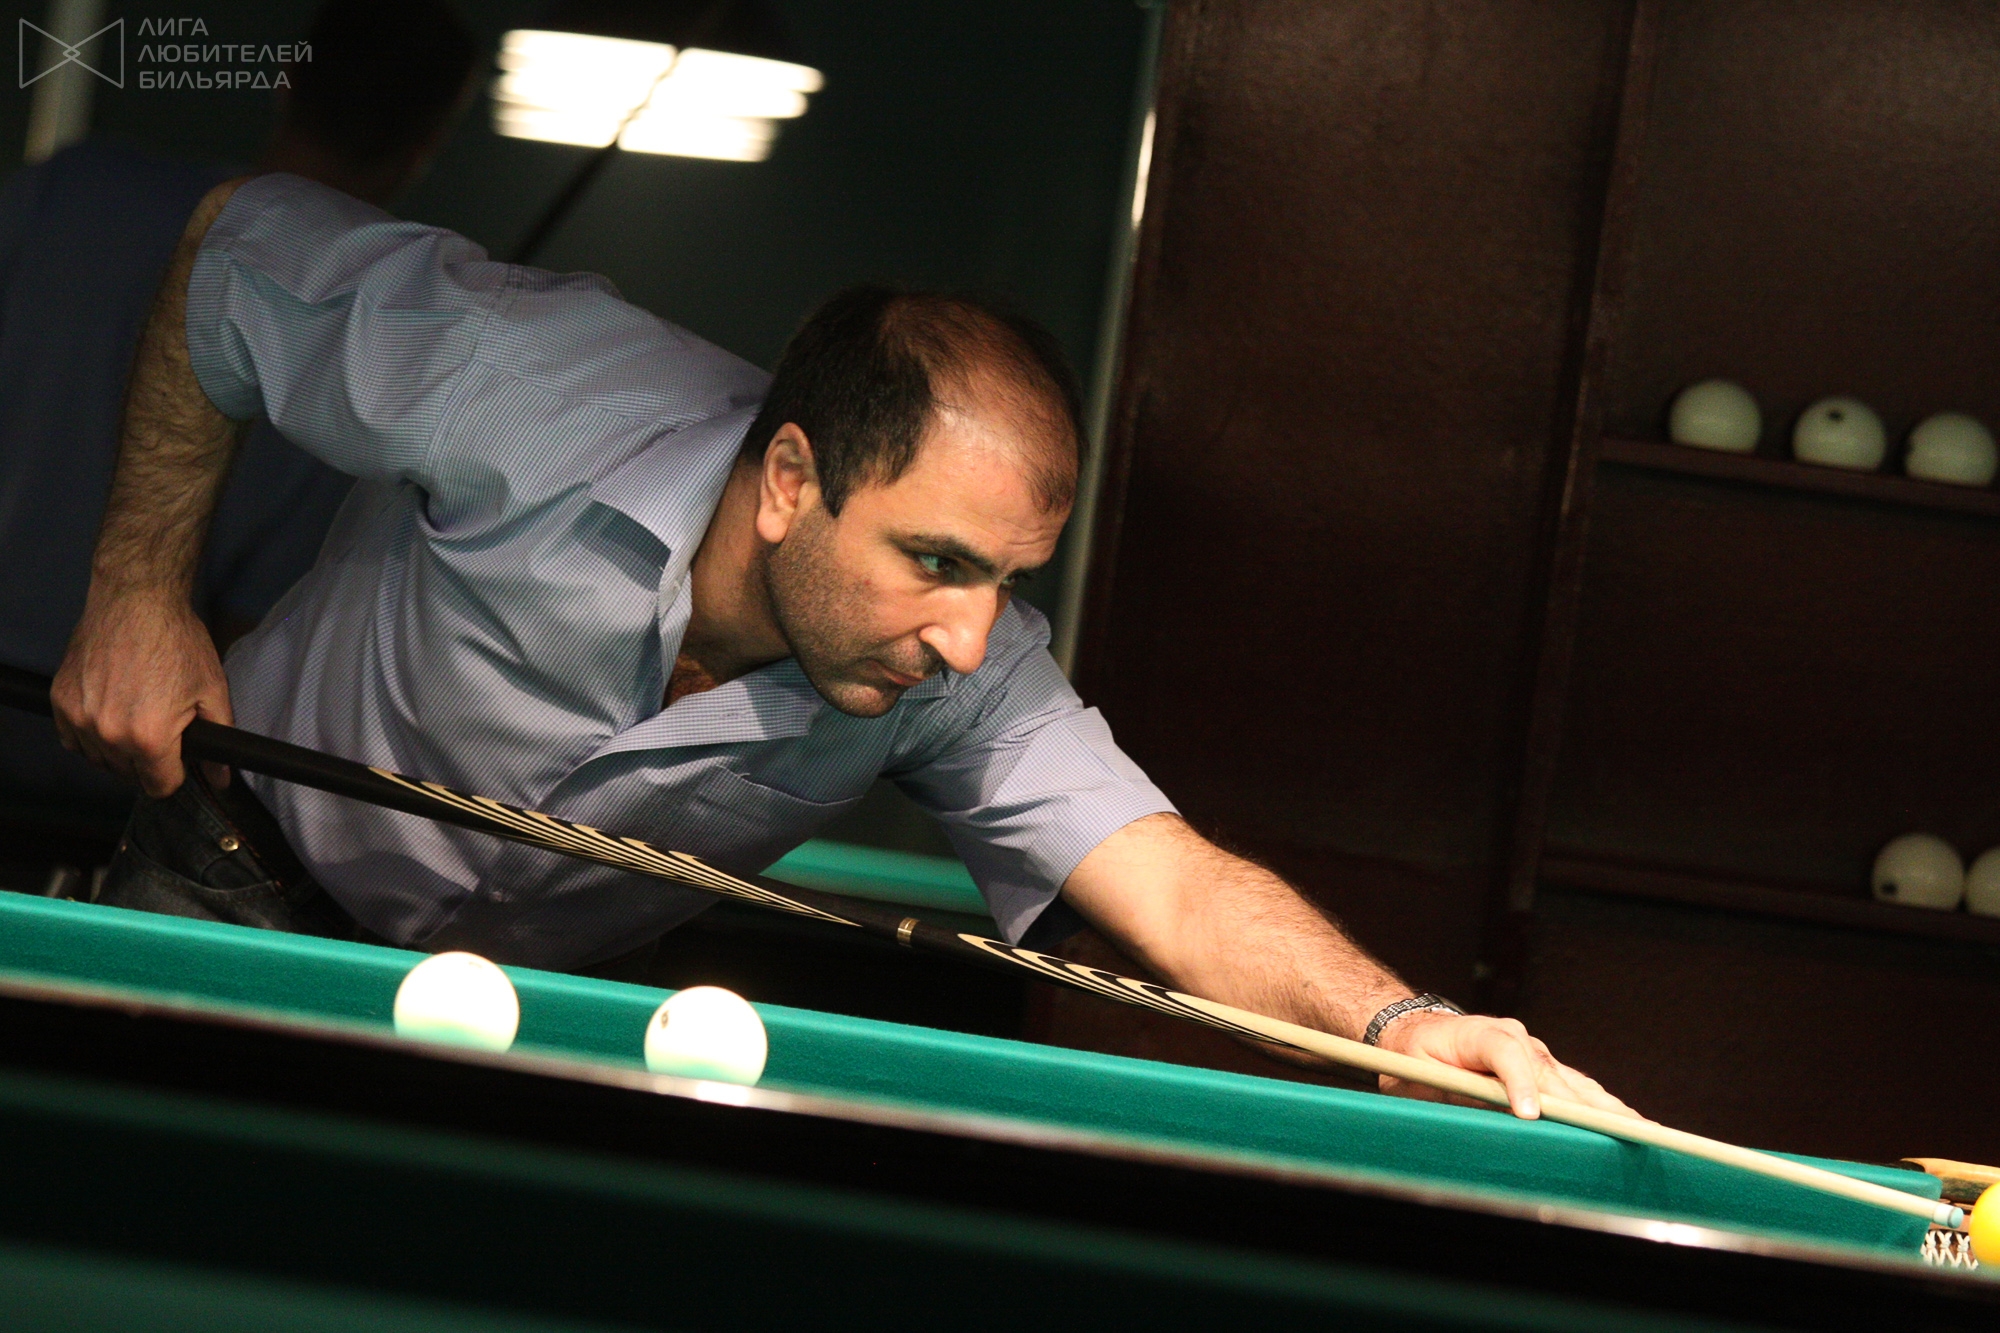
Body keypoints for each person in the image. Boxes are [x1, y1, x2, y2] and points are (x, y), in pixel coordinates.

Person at [51, 170, 1634, 1122]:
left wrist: (1400, 1022)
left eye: (1006, 579)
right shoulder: (522, 391)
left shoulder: (963, 672)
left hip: (525, 1019)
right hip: (227, 873)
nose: (971, 633)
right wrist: (136, 590)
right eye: (934, 560)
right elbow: (239, 247)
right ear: (791, 480)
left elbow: (1174, 883)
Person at [0, 0, 477, 875]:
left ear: (288, 81)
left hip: (101, 758)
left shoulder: (77, 190)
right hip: (113, 776)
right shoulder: (371, 359)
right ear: (428, 144)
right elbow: (252, 647)